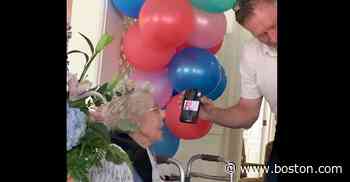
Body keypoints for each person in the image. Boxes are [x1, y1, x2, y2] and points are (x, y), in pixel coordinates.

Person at [181, 0, 277, 181]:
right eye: (262, 35)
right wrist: (213, 113)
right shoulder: (252, 53)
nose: (273, 38)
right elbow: (247, 113)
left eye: (274, 25)